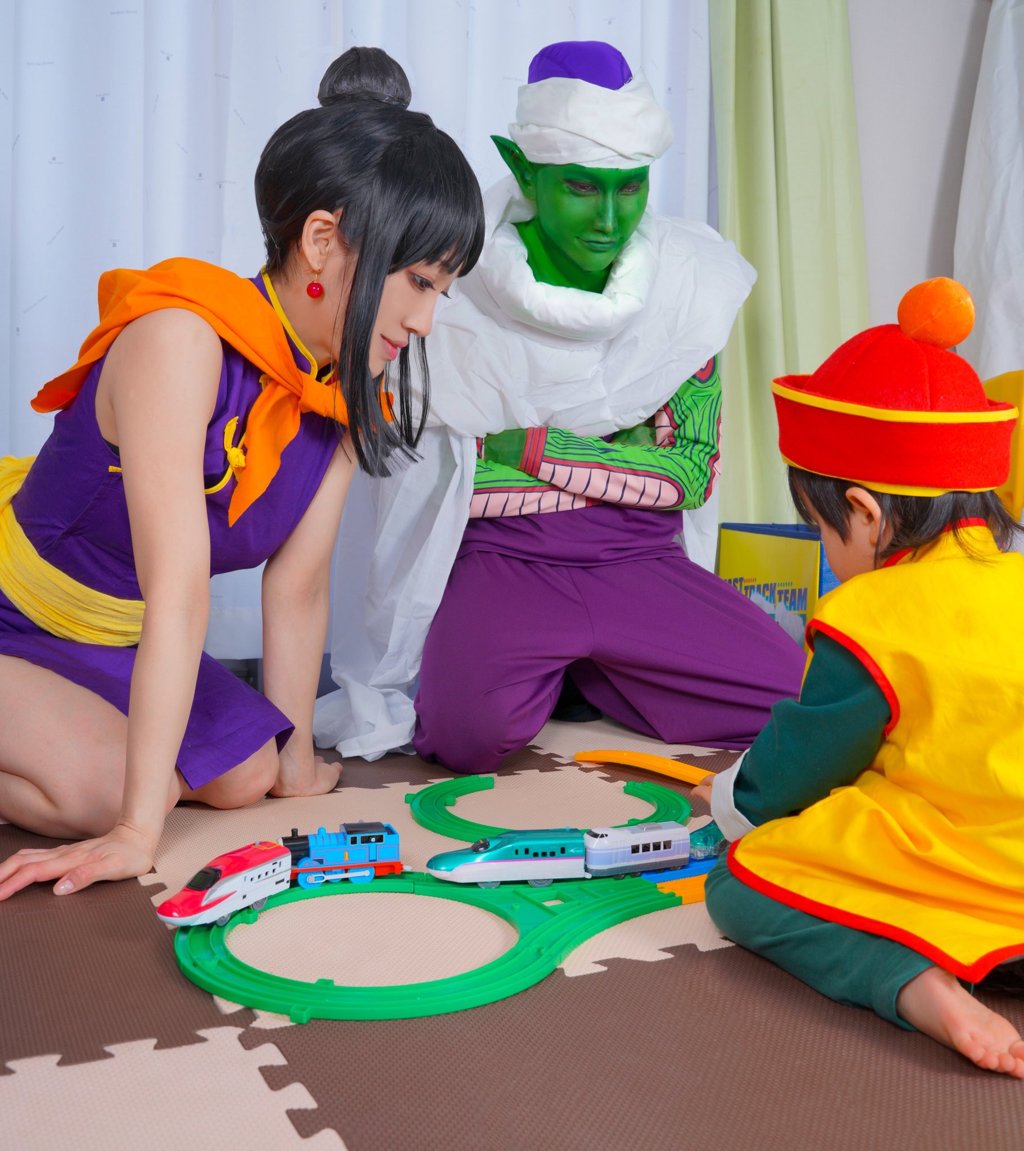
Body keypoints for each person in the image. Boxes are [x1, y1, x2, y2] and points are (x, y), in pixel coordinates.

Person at [0, 49, 484, 901]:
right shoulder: (179, 341)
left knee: (247, 774)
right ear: (322, 241)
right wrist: (135, 832)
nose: (424, 320)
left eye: (441, 289)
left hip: (121, 635)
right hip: (19, 613)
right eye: (417, 280)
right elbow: (180, 593)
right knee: (110, 793)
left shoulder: (339, 389)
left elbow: (297, 588)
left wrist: (294, 765)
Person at [313, 40, 805, 769]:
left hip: (637, 553)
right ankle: (571, 669)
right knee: (463, 737)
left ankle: (585, 672)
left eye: (629, 188)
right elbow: (424, 468)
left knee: (797, 700)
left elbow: (690, 471)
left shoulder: (689, 287)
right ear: (523, 172)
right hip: (499, 557)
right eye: (581, 187)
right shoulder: (444, 279)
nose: (610, 218)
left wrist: (528, 445)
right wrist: (619, 454)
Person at [699, 277, 1024, 1077]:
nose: (825, 548)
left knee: (743, 881)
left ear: (866, 513)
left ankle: (913, 982)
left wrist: (734, 797)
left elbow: (803, 766)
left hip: (959, 873)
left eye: (821, 528)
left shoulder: (869, 613)